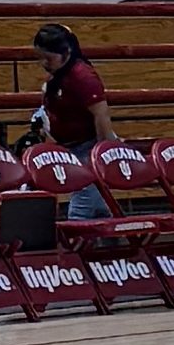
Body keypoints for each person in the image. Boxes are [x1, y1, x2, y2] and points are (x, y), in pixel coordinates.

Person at [33, 21, 116, 218]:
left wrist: (102, 156)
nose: (44, 63)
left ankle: (80, 236)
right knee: (98, 205)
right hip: (70, 149)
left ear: (66, 52)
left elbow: (101, 115)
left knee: (81, 209)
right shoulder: (59, 74)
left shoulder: (83, 77)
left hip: (88, 148)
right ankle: (109, 234)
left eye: (49, 58)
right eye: (40, 58)